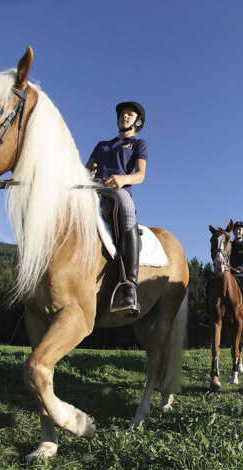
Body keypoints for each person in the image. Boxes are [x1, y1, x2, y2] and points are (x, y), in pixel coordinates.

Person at [86, 101, 147, 316]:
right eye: (122, 114)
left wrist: (123, 179)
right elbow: (87, 168)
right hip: (93, 188)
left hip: (118, 191)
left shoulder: (138, 144)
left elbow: (140, 175)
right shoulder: (102, 145)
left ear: (137, 122)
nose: (125, 116)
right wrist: (88, 176)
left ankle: (129, 286)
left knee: (127, 210)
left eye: (130, 114)